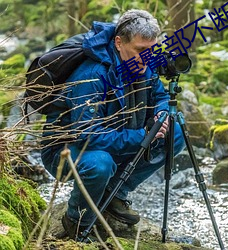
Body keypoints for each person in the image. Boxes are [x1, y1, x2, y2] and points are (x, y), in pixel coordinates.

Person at [41, 9, 185, 241]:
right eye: (141, 50)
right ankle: (76, 221)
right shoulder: (92, 75)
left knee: (175, 132)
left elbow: (159, 96)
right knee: (100, 164)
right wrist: (142, 135)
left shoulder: (142, 64)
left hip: (116, 137)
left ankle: (115, 193)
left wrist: (161, 114)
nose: (147, 58)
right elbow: (87, 136)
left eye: (152, 51)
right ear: (119, 42)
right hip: (67, 150)